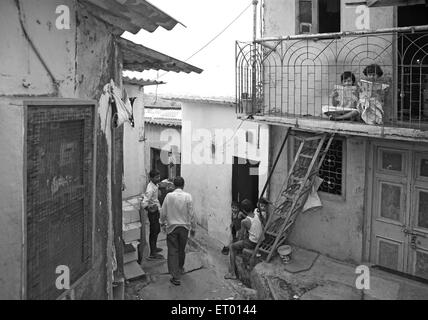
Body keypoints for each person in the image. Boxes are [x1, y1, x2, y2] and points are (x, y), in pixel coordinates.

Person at [160, 176, 196, 286]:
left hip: (172, 227)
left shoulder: (169, 196)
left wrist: (162, 222)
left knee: (172, 251)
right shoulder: (188, 197)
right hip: (184, 228)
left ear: (174, 185)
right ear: (183, 185)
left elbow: (163, 211)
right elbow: (192, 214)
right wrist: (193, 228)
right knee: (181, 249)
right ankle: (180, 267)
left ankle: (175, 276)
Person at [224, 199, 263, 280]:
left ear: (243, 210)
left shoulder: (244, 221)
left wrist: (237, 243)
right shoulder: (257, 215)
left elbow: (241, 236)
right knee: (241, 241)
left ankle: (232, 273)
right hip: (260, 240)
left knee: (232, 246)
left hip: (252, 243)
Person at [141, 169, 164, 260]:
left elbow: (159, 185)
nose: (158, 178)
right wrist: (149, 209)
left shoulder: (155, 185)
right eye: (156, 177)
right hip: (153, 213)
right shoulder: (150, 188)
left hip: (157, 210)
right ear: (151, 178)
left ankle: (154, 248)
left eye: (159, 176)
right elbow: (144, 202)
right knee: (154, 231)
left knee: (157, 230)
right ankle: (153, 253)